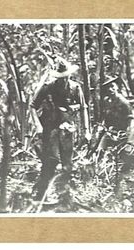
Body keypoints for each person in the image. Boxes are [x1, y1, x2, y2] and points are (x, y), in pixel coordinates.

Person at [30, 56, 90, 201]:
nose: (63, 81)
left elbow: (83, 109)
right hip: (49, 130)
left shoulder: (75, 88)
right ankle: (40, 194)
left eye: (65, 77)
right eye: (60, 78)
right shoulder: (48, 88)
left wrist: (87, 131)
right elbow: (32, 105)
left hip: (67, 130)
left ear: (69, 75)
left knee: (67, 165)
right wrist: (37, 125)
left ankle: (65, 197)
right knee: (50, 162)